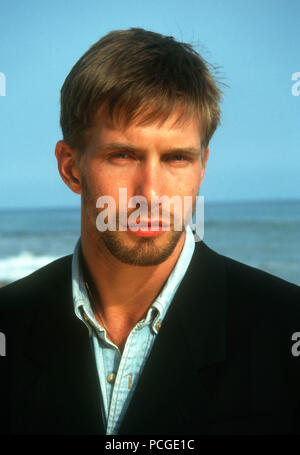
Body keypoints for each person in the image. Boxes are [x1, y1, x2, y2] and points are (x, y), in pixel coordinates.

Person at [0, 28, 300, 436]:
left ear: (202, 167)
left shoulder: (286, 327)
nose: (151, 194)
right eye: (123, 156)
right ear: (70, 167)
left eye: (177, 158)